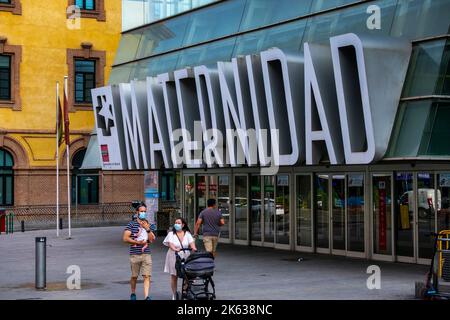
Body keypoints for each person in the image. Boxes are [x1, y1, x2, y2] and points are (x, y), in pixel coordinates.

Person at [122, 203, 155, 300]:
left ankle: (146, 296)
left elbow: (152, 240)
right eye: (141, 211)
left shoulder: (149, 224)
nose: (143, 213)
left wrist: (147, 229)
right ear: (137, 212)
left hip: (146, 253)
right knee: (134, 276)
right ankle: (133, 293)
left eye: (145, 211)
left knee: (147, 276)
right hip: (134, 254)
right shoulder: (131, 224)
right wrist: (137, 242)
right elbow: (125, 238)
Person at [163, 217, 197, 300]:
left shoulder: (187, 234)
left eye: (178, 223)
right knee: (174, 275)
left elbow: (192, 244)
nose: (176, 224)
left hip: (185, 256)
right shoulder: (171, 234)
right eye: (175, 223)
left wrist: (194, 248)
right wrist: (175, 249)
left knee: (188, 275)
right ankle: (174, 294)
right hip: (173, 256)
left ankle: (184, 290)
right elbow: (170, 244)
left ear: (183, 225)